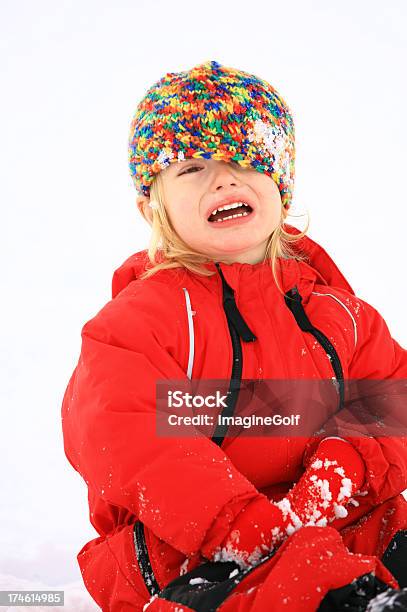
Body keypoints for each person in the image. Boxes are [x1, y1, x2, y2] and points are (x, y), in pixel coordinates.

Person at [61, 60, 407, 611]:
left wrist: (345, 470)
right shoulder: (140, 323)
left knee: (388, 535)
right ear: (152, 207)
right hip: (192, 548)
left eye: (245, 159)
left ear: (281, 189)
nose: (224, 178)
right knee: (307, 581)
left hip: (334, 519)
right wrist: (237, 522)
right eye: (193, 167)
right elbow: (128, 438)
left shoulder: (341, 314)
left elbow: (390, 403)